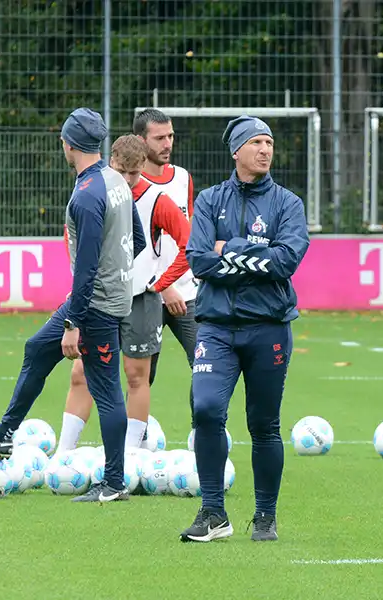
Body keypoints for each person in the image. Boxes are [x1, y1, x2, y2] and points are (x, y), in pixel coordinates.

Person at [0, 108, 145, 503]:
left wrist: (74, 322)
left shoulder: (87, 194)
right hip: (102, 300)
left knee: (107, 391)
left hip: (94, 307)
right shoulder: (116, 181)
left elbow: (87, 267)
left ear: (69, 144)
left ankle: (114, 483)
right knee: (36, 349)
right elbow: (139, 241)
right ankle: (3, 436)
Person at [179, 115, 310, 543]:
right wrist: (256, 255)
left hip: (268, 328)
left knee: (264, 425)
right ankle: (213, 513)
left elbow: (286, 261)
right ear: (236, 150)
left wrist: (229, 250)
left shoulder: (288, 203)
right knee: (206, 410)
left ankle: (265, 517)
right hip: (215, 328)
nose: (266, 149)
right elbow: (198, 259)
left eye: (269, 142)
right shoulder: (210, 200)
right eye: (256, 142)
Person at [56, 134, 191, 453]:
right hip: (100, 299)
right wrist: (81, 284)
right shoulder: (93, 192)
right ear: (109, 162)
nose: (128, 179)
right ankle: (63, 454)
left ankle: (129, 457)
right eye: (121, 171)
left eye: (134, 172)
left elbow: (191, 245)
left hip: (140, 300)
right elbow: (71, 238)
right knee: (81, 373)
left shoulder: (157, 200)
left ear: (144, 166)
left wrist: (159, 284)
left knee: (136, 375)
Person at [133, 109, 200, 428]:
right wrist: (163, 284)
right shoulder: (130, 184)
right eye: (159, 138)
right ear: (141, 141)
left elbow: (185, 234)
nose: (167, 143)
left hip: (187, 292)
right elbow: (136, 245)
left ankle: (201, 433)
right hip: (149, 294)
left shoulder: (183, 177)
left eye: (170, 136)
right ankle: (135, 442)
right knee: (143, 375)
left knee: (207, 365)